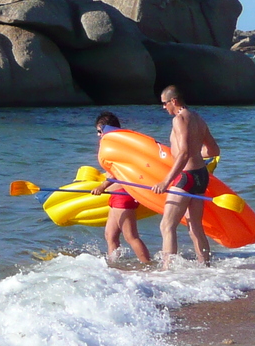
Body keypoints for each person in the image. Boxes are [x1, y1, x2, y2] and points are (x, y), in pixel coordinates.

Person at [151, 85, 220, 269]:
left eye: (165, 104)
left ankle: (168, 269)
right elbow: (213, 150)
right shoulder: (198, 118)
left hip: (186, 177)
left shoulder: (180, 119)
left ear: (173, 101)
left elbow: (183, 153)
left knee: (167, 226)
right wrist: (197, 153)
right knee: (195, 226)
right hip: (201, 176)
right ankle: (206, 267)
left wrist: (166, 181)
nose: (164, 107)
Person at [88, 113, 152, 266]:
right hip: (118, 193)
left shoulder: (117, 144)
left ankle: (149, 266)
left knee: (131, 236)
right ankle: (114, 266)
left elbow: (118, 170)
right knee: (110, 235)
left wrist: (102, 186)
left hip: (123, 193)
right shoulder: (120, 142)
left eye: (99, 131)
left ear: (105, 129)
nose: (98, 135)